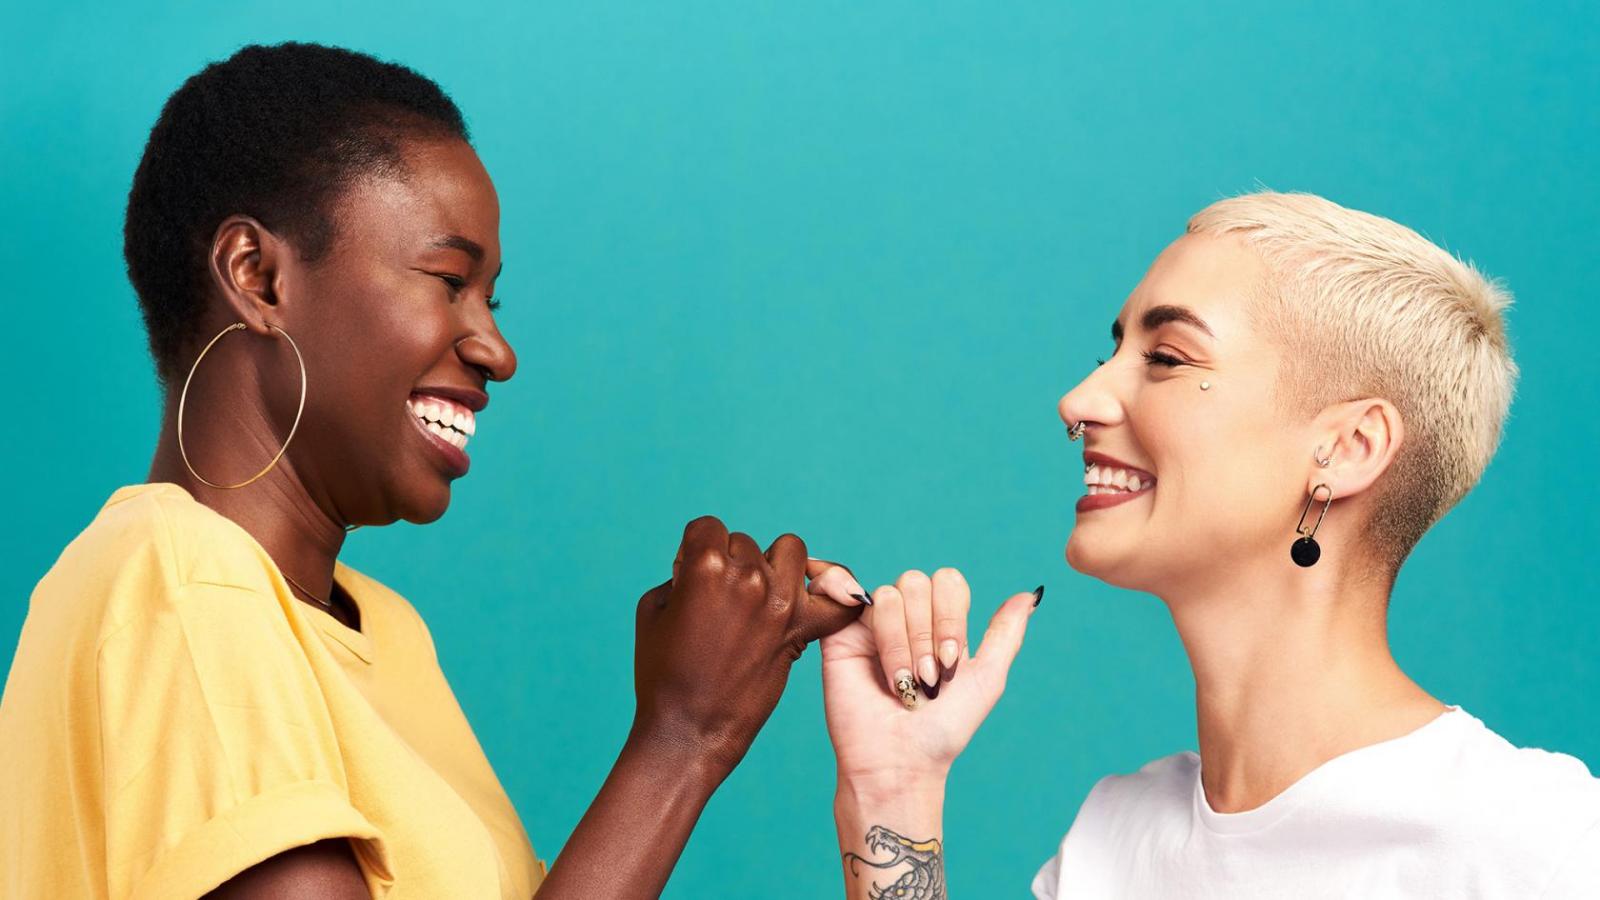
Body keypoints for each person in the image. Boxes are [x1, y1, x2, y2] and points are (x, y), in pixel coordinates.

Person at [0, 42, 869, 899]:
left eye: (490, 297)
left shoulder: (385, 631)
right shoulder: (183, 586)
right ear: (258, 277)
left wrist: (889, 786)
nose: (496, 348)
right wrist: (682, 739)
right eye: (448, 278)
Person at [820, 191, 1600, 898]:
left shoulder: (1542, 845)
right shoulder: (1113, 841)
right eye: (1113, 352)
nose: (1080, 400)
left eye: (1165, 358)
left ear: (1349, 446)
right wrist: (891, 790)